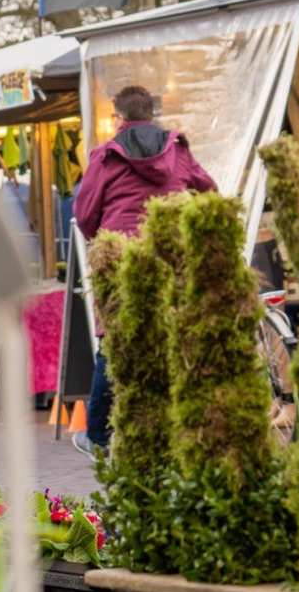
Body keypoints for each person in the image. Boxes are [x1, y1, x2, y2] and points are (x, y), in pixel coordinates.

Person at [72, 85, 216, 457]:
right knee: (174, 334)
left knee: (115, 342)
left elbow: (85, 214)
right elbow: (209, 191)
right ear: (151, 113)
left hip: (121, 258)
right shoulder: (177, 150)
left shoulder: (106, 156)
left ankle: (98, 438)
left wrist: (103, 240)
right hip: (170, 255)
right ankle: (180, 426)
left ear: (118, 117)